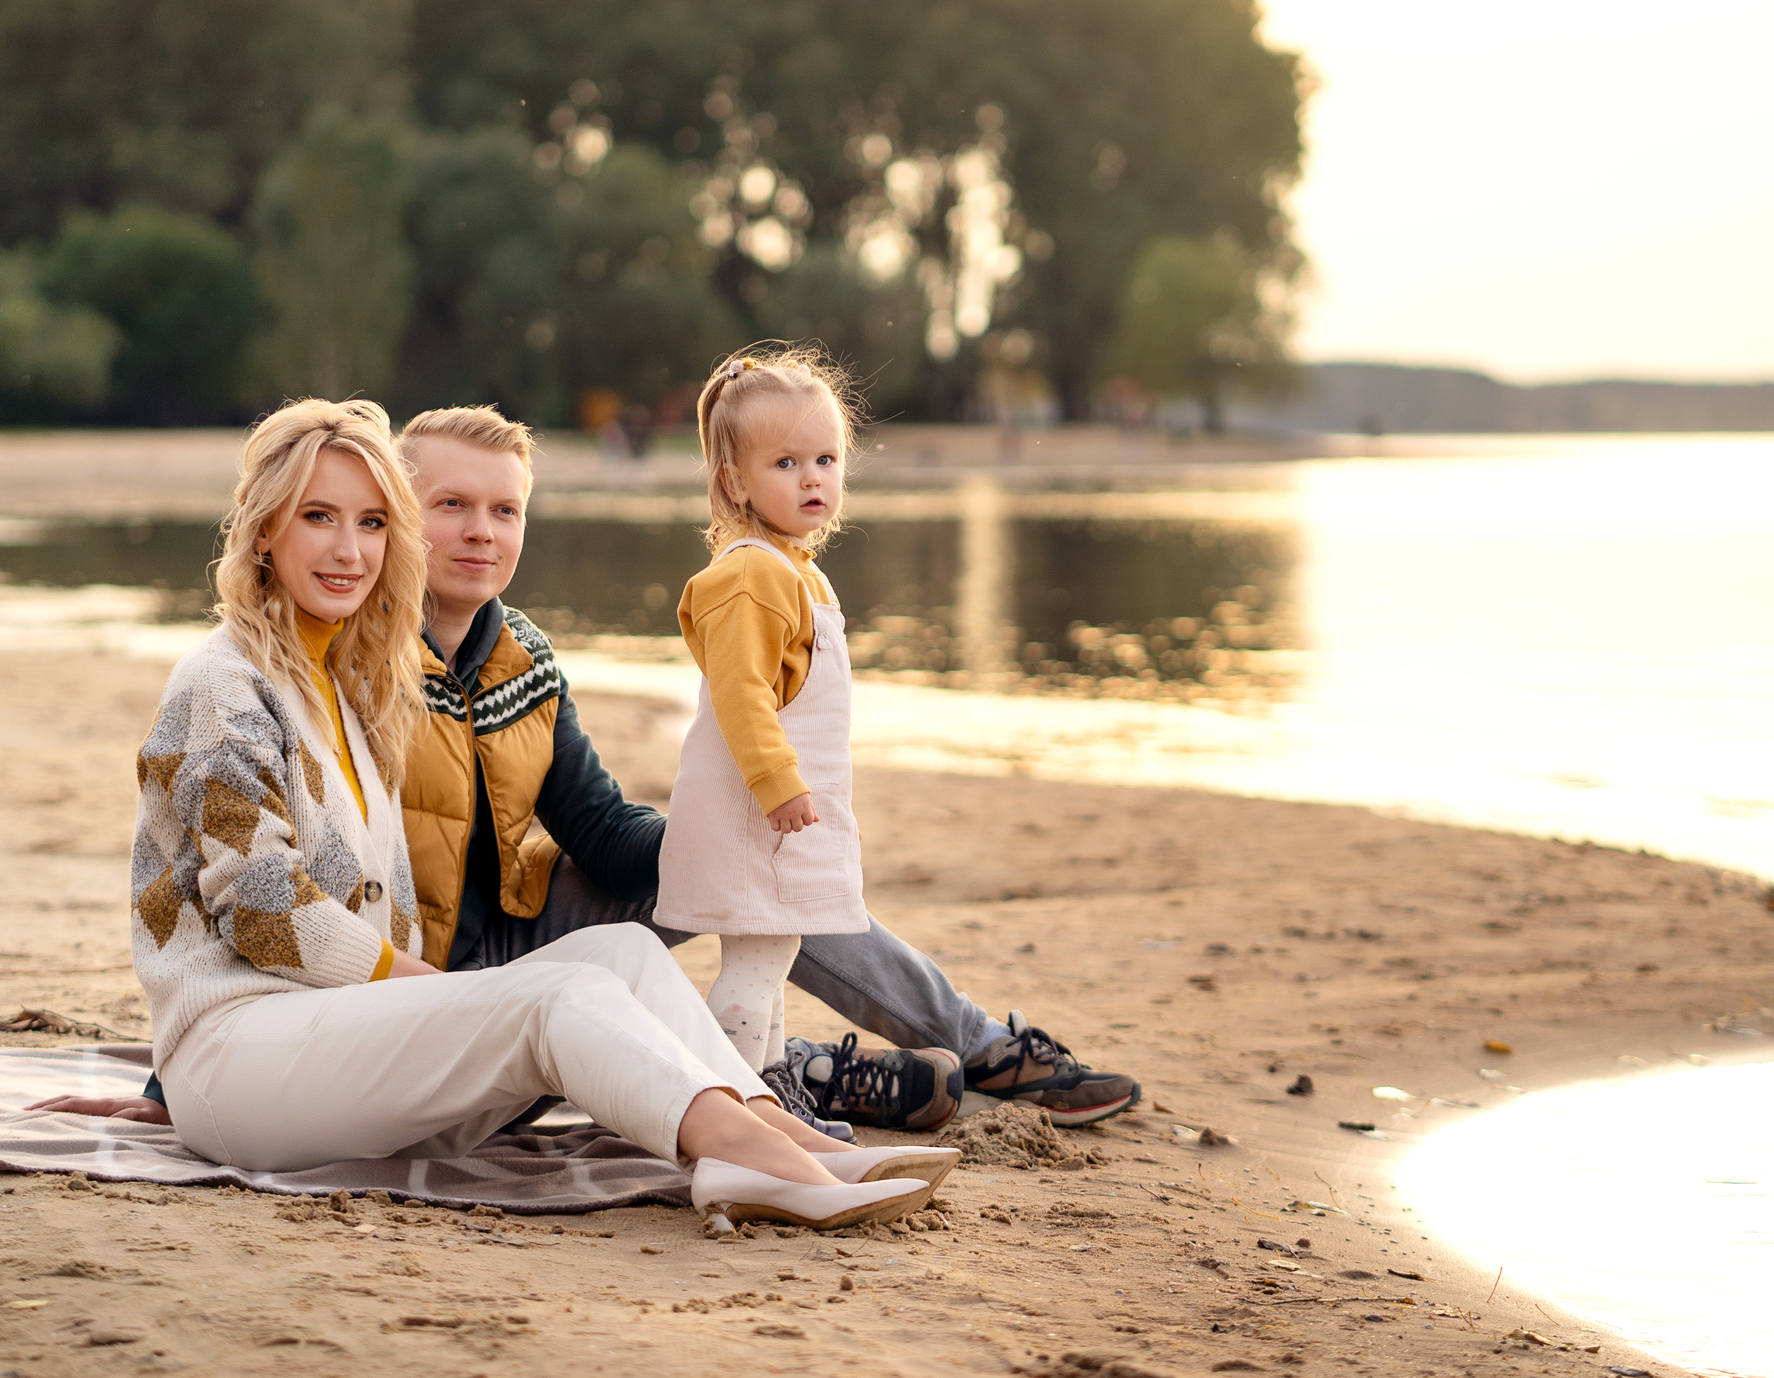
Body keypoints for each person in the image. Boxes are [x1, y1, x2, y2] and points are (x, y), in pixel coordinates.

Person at [61, 400, 1143, 1134]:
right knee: (716, 895)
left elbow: (596, 824)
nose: (479, 533)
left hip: (525, 931)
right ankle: (797, 1071)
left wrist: (727, 846)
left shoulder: (523, 652)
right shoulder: (339, 661)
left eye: (505, 510)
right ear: (400, 516)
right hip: (404, 980)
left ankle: (975, 1047)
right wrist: (178, 1079)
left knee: (750, 862)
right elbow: (247, 862)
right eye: (448, 507)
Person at [659, 350, 868, 1089]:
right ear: (734, 482)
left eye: (825, 458)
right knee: (756, 964)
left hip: (772, 813)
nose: (813, 477)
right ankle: (737, 1101)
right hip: (758, 814)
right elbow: (739, 693)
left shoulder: (797, 571)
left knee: (769, 958)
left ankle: (772, 1096)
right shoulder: (752, 573)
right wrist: (779, 783)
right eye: (785, 462)